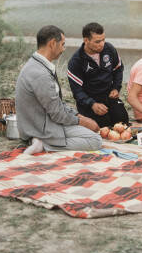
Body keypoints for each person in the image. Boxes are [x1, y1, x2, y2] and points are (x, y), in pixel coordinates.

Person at [15, 24, 101, 154]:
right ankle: (44, 144)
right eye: (62, 44)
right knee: (95, 140)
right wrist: (83, 121)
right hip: (42, 127)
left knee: (88, 131)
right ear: (52, 43)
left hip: (45, 121)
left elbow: (57, 104)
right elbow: (57, 114)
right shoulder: (39, 74)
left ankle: (45, 142)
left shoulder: (38, 65)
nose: (63, 49)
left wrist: (78, 116)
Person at [67, 22, 128, 128]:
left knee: (123, 121)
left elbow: (118, 69)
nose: (102, 44)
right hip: (90, 103)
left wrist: (116, 88)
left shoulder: (109, 49)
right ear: (86, 40)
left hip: (109, 97)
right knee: (103, 127)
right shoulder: (76, 61)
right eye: (97, 41)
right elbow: (77, 92)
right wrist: (92, 104)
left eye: (103, 39)